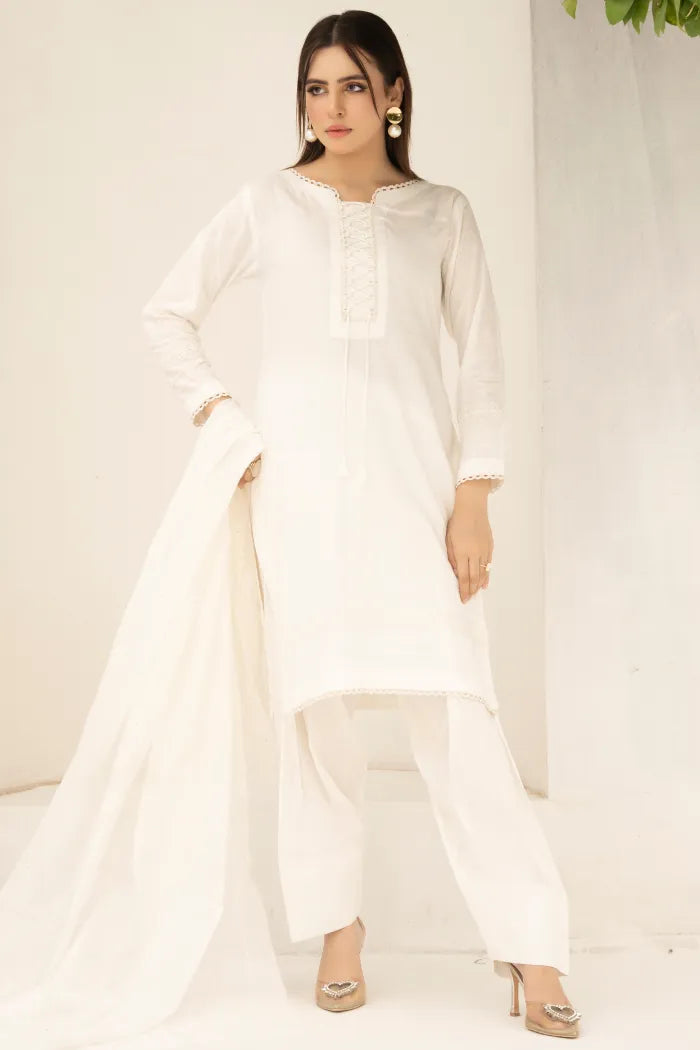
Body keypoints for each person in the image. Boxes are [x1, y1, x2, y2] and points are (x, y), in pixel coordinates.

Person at [0, 10, 581, 1047]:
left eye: (354, 85)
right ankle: (337, 930)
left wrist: (475, 493)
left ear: (393, 94)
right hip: (302, 502)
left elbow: (482, 363)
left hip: (417, 497)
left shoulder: (441, 215)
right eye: (317, 87)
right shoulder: (266, 205)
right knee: (317, 721)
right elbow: (166, 313)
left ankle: (533, 947)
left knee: (459, 715)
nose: (333, 106)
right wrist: (226, 421)